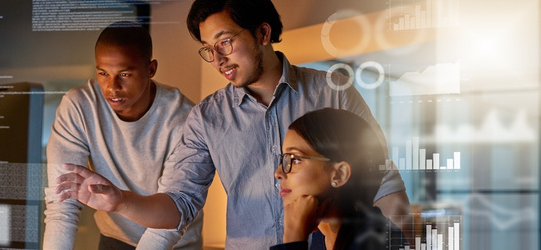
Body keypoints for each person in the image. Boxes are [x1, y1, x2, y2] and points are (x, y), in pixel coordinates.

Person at [55, 0, 411, 249]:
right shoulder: (206, 118)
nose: (217, 59)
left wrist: (399, 243)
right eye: (208, 49)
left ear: (262, 33)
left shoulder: (333, 92)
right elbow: (179, 204)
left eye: (225, 42)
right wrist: (120, 202)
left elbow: (382, 179)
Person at [43, 21, 203, 250]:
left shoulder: (184, 119)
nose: (112, 87)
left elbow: (172, 215)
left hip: (173, 242)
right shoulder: (79, 107)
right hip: (115, 238)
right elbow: (62, 205)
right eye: (103, 73)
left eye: (124, 74)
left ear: (151, 69)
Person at [270, 108, 407, 250]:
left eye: (295, 160)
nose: (278, 173)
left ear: (340, 174)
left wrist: (293, 240)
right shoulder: (323, 234)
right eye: (284, 159)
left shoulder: (377, 241)